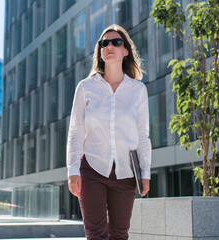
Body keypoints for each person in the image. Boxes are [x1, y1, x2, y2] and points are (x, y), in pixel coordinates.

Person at [66, 24, 152, 240]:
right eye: (104, 43)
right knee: (95, 234)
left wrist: (146, 173)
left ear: (126, 51)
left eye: (116, 42)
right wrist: (72, 169)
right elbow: (76, 132)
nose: (110, 46)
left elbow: (143, 135)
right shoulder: (85, 87)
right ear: (100, 52)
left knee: (120, 234)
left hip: (126, 173)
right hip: (92, 169)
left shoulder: (138, 90)